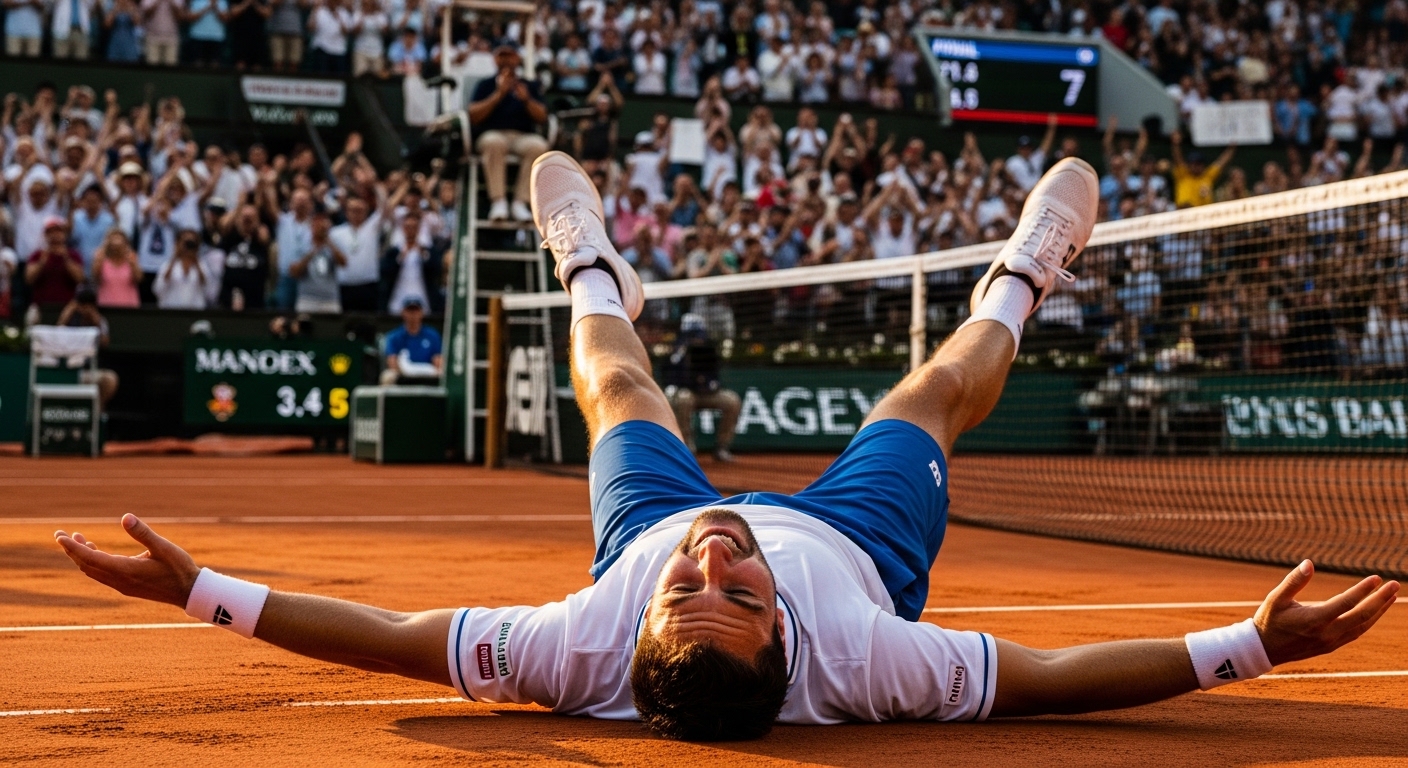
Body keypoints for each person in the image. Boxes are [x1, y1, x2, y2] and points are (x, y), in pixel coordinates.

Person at [53, 153, 1399, 743]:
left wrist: (202, 594)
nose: (711, 563)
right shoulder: (877, 660)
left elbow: (395, 639)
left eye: (691, 594)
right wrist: (1253, 647)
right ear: (791, 638)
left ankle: (586, 262)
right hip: (865, 553)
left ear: (632, 652)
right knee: (932, 392)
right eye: (737, 595)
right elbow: (1050, 678)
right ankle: (1025, 279)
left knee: (614, 380)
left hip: (618, 535)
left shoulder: (582, 642)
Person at [467, 41, 549, 223]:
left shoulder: (528, 85)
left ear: (517, 58)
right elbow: (473, 115)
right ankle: (498, 201)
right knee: (494, 143)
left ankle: (520, 202)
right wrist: (498, 94)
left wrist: (527, 100)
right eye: (501, 55)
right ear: (495, 59)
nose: (505, 60)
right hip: (492, 135)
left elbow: (542, 117)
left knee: (539, 146)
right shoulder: (486, 84)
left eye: (509, 55)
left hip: (522, 136)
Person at [663, 312, 741, 462]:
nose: (697, 339)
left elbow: (715, 375)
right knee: (684, 400)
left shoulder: (708, 348)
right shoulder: (676, 351)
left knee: (732, 401)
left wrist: (710, 384)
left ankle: (722, 448)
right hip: (686, 393)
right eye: (693, 335)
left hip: (706, 394)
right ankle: (687, 448)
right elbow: (671, 376)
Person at [57, 285, 120, 408]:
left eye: (88, 305)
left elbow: (105, 343)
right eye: (82, 304)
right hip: (67, 371)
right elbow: (56, 337)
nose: (85, 309)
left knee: (110, 379)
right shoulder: (69, 319)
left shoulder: (100, 321)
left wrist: (96, 323)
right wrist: (66, 314)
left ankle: (95, 416)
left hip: (89, 370)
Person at [290, 208, 346, 314]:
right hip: (307, 298)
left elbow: (343, 263)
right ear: (311, 227)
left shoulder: (334, 245)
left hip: (330, 299)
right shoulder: (302, 245)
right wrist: (312, 251)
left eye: (323, 225)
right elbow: (294, 272)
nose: (320, 228)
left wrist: (328, 243)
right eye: (317, 224)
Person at [379, 297, 441, 384]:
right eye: (410, 311)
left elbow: (438, 361)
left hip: (427, 374)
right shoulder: (394, 337)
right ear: (403, 313)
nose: (413, 314)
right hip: (402, 374)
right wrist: (406, 373)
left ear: (421, 313)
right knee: (388, 376)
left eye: (416, 311)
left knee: (442, 374)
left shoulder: (432, 335)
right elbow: (392, 362)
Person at [26, 217, 86, 307]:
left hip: (67, 308)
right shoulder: (37, 255)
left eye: (58, 231)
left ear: (65, 234)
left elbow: (79, 279)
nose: (55, 235)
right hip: (41, 306)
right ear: (45, 235)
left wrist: (66, 258)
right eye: (51, 232)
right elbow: (29, 279)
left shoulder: (74, 255)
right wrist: (42, 262)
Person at [1171, 130, 1236, 208]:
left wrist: (1231, 149)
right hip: (1183, 214)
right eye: (1194, 164)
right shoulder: (1183, 174)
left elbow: (1221, 162)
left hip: (1204, 215)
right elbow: (1178, 158)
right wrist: (1175, 144)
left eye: (1199, 164)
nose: (1196, 166)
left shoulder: (1207, 176)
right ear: (1189, 165)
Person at [152, 229, 215, 309]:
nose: (188, 246)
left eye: (191, 243)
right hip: (171, 310)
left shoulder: (202, 265)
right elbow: (158, 289)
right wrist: (175, 256)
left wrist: (196, 260)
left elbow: (209, 290)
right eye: (186, 243)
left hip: (195, 312)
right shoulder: (168, 265)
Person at [92, 230, 142, 309]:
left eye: (119, 239)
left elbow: (139, 279)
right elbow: (95, 277)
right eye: (113, 239)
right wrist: (100, 258)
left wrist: (132, 264)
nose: (116, 242)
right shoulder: (101, 258)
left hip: (129, 306)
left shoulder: (131, 257)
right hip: (106, 306)